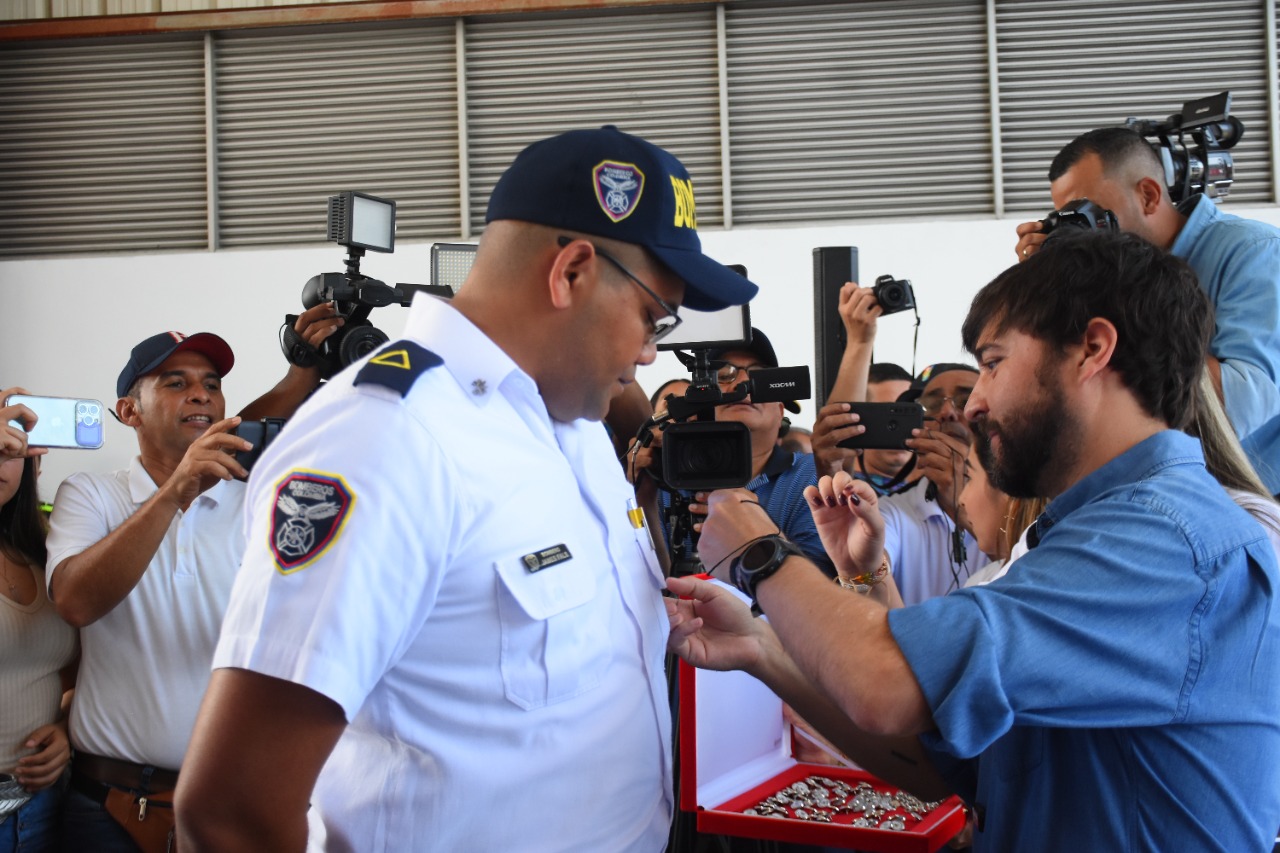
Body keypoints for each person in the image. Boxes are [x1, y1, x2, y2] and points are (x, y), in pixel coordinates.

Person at [174, 126, 758, 851]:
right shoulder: (386, 439)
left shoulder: (570, 424)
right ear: (571, 272)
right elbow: (229, 810)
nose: (648, 352)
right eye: (652, 317)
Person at [667, 230, 1280, 851]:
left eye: (991, 363)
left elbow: (885, 684)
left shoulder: (1165, 543)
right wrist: (763, 649)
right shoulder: (1093, 531)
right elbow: (937, 766)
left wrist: (763, 552)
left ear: (1092, 349)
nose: (975, 404)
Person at [45, 309, 338, 852]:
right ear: (129, 411)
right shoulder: (91, 493)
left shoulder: (255, 498)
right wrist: (177, 489)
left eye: (212, 385)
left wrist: (300, 375)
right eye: (174, 383)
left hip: (233, 800)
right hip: (110, 801)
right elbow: (76, 601)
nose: (200, 395)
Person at [1015, 125, 1280, 493]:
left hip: (1257, 502)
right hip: (1167, 492)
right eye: (1070, 218)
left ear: (1149, 196)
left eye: (1091, 212)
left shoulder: (1252, 252)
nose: (1084, 231)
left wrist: (1116, 298)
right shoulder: (1109, 279)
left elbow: (1246, 403)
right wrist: (1044, 284)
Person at [639, 327, 835, 578]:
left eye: (759, 377)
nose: (743, 383)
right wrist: (642, 493)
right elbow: (645, 581)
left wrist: (753, 528)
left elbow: (821, 587)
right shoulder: (668, 474)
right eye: (724, 375)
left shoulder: (811, 475)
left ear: (780, 410)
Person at [818, 363, 986, 604]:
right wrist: (864, 568)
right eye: (931, 404)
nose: (947, 412)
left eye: (966, 400)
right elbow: (872, 597)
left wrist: (963, 502)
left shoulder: (1025, 503)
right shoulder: (892, 512)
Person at [0, 392, 77, 853]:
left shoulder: (40, 554)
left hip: (41, 807)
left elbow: (70, 670)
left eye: (10, 451)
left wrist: (66, 728)